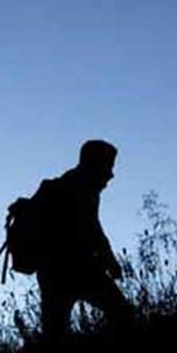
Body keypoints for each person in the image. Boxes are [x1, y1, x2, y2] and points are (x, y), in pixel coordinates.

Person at [32, 140, 132, 339]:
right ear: (95, 163)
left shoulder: (68, 184)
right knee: (122, 314)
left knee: (54, 333)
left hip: (51, 270)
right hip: (77, 268)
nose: (111, 174)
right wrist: (110, 261)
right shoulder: (82, 188)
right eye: (108, 166)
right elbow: (92, 229)